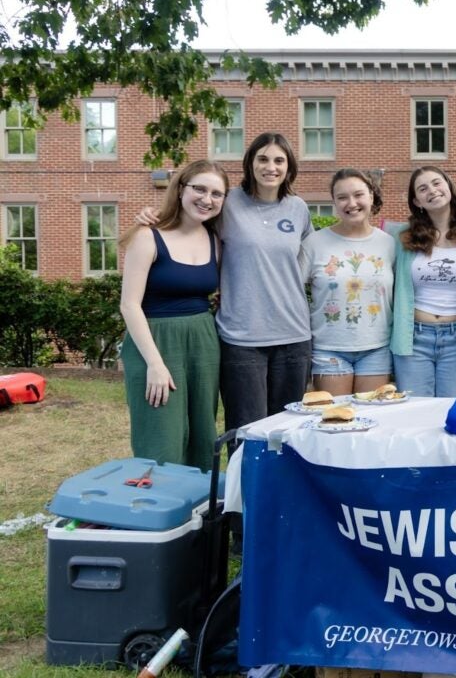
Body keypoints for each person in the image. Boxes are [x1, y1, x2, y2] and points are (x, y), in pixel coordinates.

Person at [135, 132, 314, 430]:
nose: (271, 167)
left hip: (294, 336)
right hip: (241, 338)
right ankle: (242, 480)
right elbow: (186, 221)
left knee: (287, 430)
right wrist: (153, 214)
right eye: (263, 159)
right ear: (250, 163)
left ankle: (278, 480)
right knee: (246, 429)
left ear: (289, 167)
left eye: (279, 160)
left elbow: (303, 263)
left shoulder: (299, 209)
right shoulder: (227, 203)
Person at [119, 160, 227, 470]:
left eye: (217, 194)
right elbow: (129, 305)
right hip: (155, 342)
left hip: (204, 343)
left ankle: (199, 514)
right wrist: (155, 364)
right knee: (160, 437)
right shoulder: (147, 236)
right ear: (180, 189)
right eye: (200, 189)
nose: (207, 199)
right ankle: (159, 510)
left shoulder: (216, 241)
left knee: (203, 435)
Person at [389, 166, 456, 397]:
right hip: (413, 337)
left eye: (436, 183)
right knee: (414, 412)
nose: (432, 190)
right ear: (417, 201)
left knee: (452, 411)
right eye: (422, 189)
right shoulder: (402, 236)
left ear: (448, 186)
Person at [301, 168, 395, 396]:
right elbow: (294, 293)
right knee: (334, 422)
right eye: (342, 197)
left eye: (358, 194)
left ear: (371, 196)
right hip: (329, 349)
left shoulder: (389, 244)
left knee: (372, 421)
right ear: (334, 202)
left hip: (377, 348)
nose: (351, 203)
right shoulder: (314, 243)